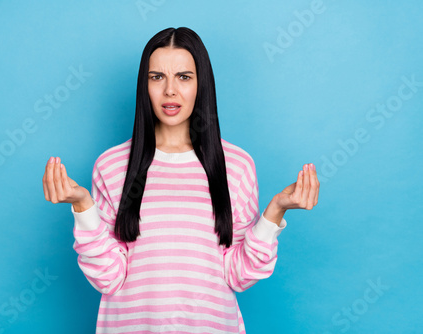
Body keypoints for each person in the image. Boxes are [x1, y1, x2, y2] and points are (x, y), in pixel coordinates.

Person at [42, 27, 319, 334]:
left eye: (184, 77)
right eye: (157, 77)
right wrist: (83, 207)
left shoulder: (236, 166)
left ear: (202, 85)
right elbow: (108, 277)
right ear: (144, 85)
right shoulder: (111, 166)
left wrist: (275, 211)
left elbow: (238, 274)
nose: (170, 90)